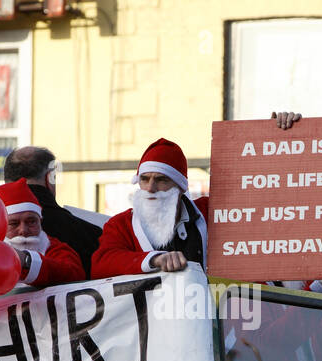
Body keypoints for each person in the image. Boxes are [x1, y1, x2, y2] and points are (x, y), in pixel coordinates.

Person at [91, 112, 301, 277]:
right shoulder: (121, 225)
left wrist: (278, 138)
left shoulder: (213, 214)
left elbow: (262, 200)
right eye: (144, 179)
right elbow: (101, 264)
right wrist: (155, 260)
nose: (150, 188)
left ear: (181, 188)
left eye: (162, 180)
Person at [3, 146, 103, 275]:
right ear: (50, 178)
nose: (23, 230)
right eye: (14, 224)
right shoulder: (91, 235)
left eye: (31, 221)